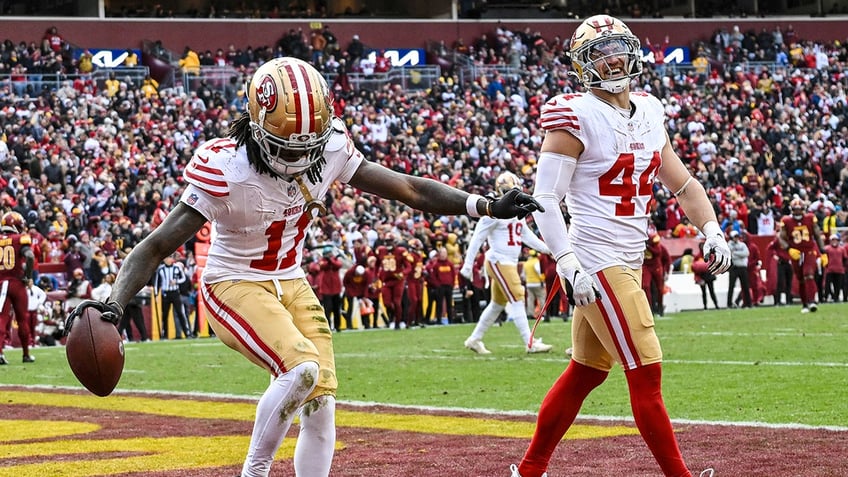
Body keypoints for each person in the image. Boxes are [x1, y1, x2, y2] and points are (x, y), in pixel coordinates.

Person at [65, 56, 541, 477]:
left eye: (309, 147)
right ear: (255, 127)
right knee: (301, 370)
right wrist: (113, 303)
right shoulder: (225, 166)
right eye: (289, 148)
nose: (301, 159)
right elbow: (155, 245)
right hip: (234, 282)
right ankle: (254, 472)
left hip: (291, 281)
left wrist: (484, 205)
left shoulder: (329, 146)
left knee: (322, 404)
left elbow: (409, 189)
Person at [511, 15, 730, 477]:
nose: (611, 60)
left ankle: (529, 470)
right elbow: (545, 200)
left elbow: (685, 185)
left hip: (628, 256)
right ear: (581, 65)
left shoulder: (650, 110)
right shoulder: (573, 114)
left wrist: (712, 229)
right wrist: (567, 261)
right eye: (598, 53)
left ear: (632, 53)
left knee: (587, 372)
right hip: (594, 256)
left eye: (616, 50)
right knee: (647, 371)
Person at [461, 171, 553, 355]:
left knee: (497, 304)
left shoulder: (514, 212)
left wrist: (548, 249)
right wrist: (468, 265)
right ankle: (530, 342)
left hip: (507, 261)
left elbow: (526, 236)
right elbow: (478, 238)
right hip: (499, 260)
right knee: (518, 295)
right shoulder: (492, 211)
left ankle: (474, 339)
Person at [778, 198, 826, 313]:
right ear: (791, 209)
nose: (798, 212)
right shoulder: (786, 220)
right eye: (795, 209)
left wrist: (823, 252)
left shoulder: (810, 218)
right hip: (796, 253)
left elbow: (817, 235)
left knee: (808, 274)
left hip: (809, 251)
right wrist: (789, 249)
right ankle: (805, 304)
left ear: (804, 209)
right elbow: (781, 238)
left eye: (800, 209)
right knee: (800, 279)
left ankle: (812, 301)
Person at [0, 212, 36, 365]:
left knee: (1, 319)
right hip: (17, 283)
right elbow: (29, 256)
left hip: (1, 284)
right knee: (23, 319)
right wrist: (28, 276)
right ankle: (26, 354)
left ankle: (0, 353)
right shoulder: (20, 238)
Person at [154, 252, 192, 339]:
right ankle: (164, 335)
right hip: (165, 294)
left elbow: (183, 278)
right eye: (167, 258)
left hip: (175, 293)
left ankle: (187, 333)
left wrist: (176, 281)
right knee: (165, 315)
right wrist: (156, 294)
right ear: (164, 259)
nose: (168, 260)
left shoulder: (177, 268)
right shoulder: (161, 269)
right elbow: (157, 283)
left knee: (180, 313)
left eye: (170, 257)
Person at [727, 230, 751, 308]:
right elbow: (731, 255)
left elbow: (746, 253)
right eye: (735, 236)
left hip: (742, 267)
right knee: (731, 286)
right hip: (734, 268)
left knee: (745, 286)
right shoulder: (729, 245)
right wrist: (740, 254)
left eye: (737, 236)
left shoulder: (742, 244)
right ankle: (729, 304)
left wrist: (736, 253)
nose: (736, 238)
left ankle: (748, 303)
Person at [823, 234, 847, 302]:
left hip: (839, 270)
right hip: (829, 270)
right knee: (827, 285)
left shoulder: (842, 249)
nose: (834, 241)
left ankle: (836, 298)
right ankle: (826, 297)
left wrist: (843, 267)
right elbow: (824, 258)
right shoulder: (827, 248)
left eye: (836, 240)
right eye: (833, 240)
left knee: (838, 285)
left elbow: (845, 259)